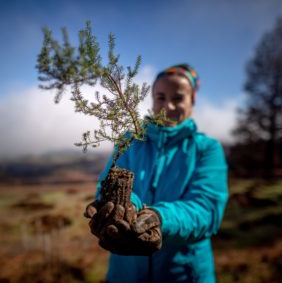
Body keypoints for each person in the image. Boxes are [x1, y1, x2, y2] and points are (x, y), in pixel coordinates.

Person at [84, 64, 228, 283]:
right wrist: (125, 209)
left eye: (178, 98)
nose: (168, 106)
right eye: (160, 97)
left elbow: (206, 210)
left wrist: (159, 218)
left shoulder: (207, 149)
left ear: (192, 101)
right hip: (125, 275)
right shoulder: (130, 142)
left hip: (184, 275)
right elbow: (108, 184)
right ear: (152, 100)